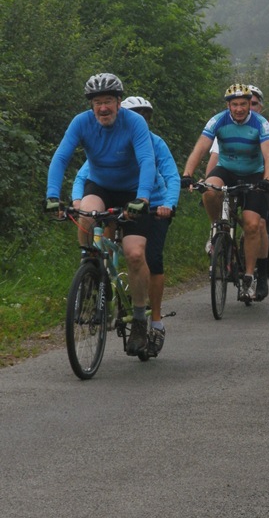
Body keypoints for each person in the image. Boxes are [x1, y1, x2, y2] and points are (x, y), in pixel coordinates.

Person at [46, 73, 157, 357]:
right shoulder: (81, 122)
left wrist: (143, 198)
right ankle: (91, 271)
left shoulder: (134, 123)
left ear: (119, 103)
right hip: (101, 186)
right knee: (85, 214)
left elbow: (147, 160)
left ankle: (141, 319)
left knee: (134, 254)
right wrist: (52, 196)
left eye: (108, 101)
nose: (103, 108)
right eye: (98, 102)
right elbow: (61, 157)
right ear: (91, 105)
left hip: (134, 192)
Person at [72, 95, 180, 356]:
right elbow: (84, 174)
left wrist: (168, 204)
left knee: (147, 258)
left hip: (152, 207)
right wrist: (77, 201)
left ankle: (153, 321)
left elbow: (171, 175)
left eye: (144, 116)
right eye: (134, 115)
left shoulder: (154, 144)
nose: (139, 120)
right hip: (118, 202)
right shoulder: (110, 142)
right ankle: (98, 282)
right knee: (101, 242)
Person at [181, 83, 269, 301]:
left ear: (249, 104)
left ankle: (249, 278)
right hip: (227, 170)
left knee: (252, 224)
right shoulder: (218, 120)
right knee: (208, 188)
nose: (240, 109)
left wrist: (268, 181)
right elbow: (201, 148)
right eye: (235, 104)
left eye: (244, 104)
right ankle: (216, 228)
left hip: (254, 174)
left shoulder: (260, 124)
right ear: (228, 105)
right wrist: (188, 173)